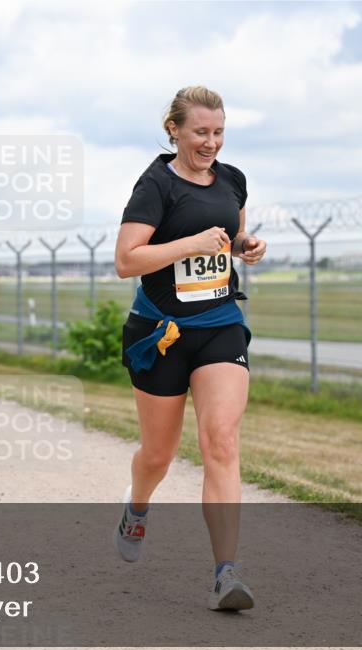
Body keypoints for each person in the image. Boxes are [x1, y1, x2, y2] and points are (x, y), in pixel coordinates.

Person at [113, 86, 266, 611]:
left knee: (221, 439)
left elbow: (232, 235)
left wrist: (247, 245)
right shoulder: (155, 184)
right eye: (201, 131)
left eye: (219, 132)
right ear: (174, 129)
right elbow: (127, 260)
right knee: (158, 453)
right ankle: (138, 505)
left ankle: (227, 573)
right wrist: (192, 244)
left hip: (220, 323)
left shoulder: (232, 179)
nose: (211, 142)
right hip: (161, 332)